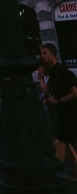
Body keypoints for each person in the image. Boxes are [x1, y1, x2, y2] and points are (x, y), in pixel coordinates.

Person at [37, 43, 77, 180]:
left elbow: (75, 93)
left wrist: (57, 101)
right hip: (60, 112)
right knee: (67, 143)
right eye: (41, 53)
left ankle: (52, 175)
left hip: (68, 112)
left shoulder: (62, 71)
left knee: (59, 143)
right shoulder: (52, 72)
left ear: (53, 54)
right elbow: (48, 92)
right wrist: (41, 79)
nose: (42, 56)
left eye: (45, 53)